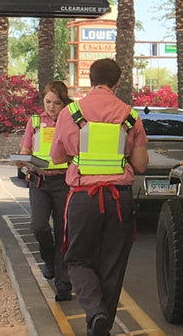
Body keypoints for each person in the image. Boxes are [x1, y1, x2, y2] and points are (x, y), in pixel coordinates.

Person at [50, 59, 148, 336]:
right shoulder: (130, 116)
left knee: (77, 259)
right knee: (112, 265)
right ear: (117, 82)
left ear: (90, 79)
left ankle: (95, 312)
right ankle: (101, 325)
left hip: (83, 197)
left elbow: (57, 157)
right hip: (119, 199)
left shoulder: (71, 113)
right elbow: (140, 165)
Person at [18, 80, 73, 302]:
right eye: (48, 102)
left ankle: (63, 286)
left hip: (63, 182)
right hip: (39, 182)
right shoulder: (35, 121)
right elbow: (25, 150)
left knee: (63, 233)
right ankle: (49, 260)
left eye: (56, 103)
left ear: (64, 102)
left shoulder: (70, 122)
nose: (51, 107)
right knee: (39, 226)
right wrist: (20, 161)